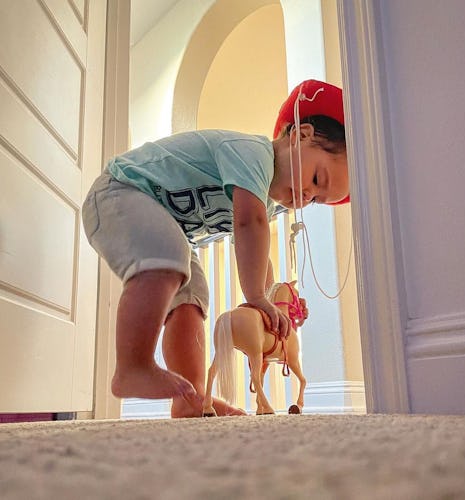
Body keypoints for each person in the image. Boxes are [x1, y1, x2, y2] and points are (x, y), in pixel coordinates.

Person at [82, 80, 349, 418]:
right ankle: (132, 366)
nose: (306, 197)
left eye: (315, 200)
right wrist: (256, 297)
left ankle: (189, 397)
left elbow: (255, 248)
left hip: (169, 223)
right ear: (300, 135)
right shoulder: (253, 154)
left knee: (192, 294)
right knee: (168, 260)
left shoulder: (267, 200)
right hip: (120, 191)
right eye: (315, 179)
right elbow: (250, 225)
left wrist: (271, 302)